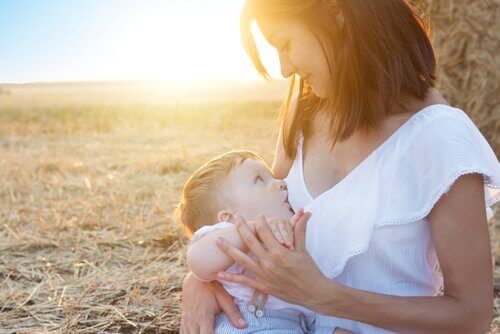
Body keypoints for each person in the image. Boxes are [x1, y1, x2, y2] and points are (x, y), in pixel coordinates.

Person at [180, 0, 500, 333]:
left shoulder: (439, 136)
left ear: (337, 13)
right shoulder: (302, 111)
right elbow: (256, 221)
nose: (285, 68)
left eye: (285, 44)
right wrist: (202, 280)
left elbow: (471, 316)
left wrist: (326, 296)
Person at [177, 150, 315, 333]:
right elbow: (198, 260)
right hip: (250, 323)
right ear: (229, 218)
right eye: (259, 180)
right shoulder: (228, 233)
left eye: (273, 177)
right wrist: (251, 229)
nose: (282, 183)